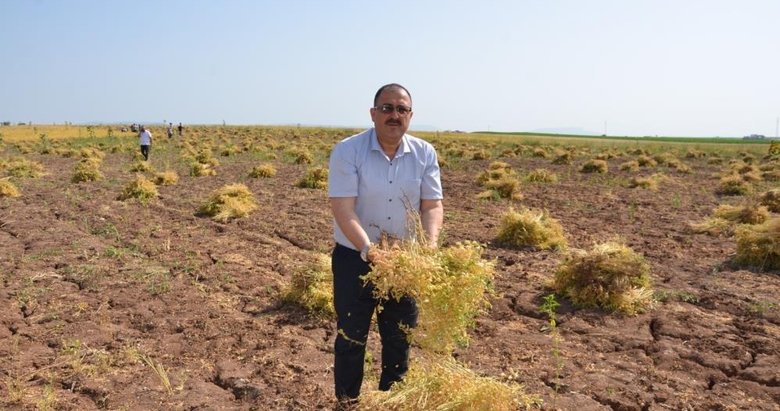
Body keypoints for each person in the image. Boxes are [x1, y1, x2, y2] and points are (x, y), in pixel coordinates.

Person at [327, 83, 444, 404]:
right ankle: (347, 404)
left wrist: (429, 247)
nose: (394, 115)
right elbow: (343, 208)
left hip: (404, 263)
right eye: (387, 108)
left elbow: (432, 206)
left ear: (410, 115)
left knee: (399, 340)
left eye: (401, 109)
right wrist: (369, 249)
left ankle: (391, 402)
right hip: (355, 259)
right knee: (351, 340)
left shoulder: (424, 153)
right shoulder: (348, 151)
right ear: (373, 113)